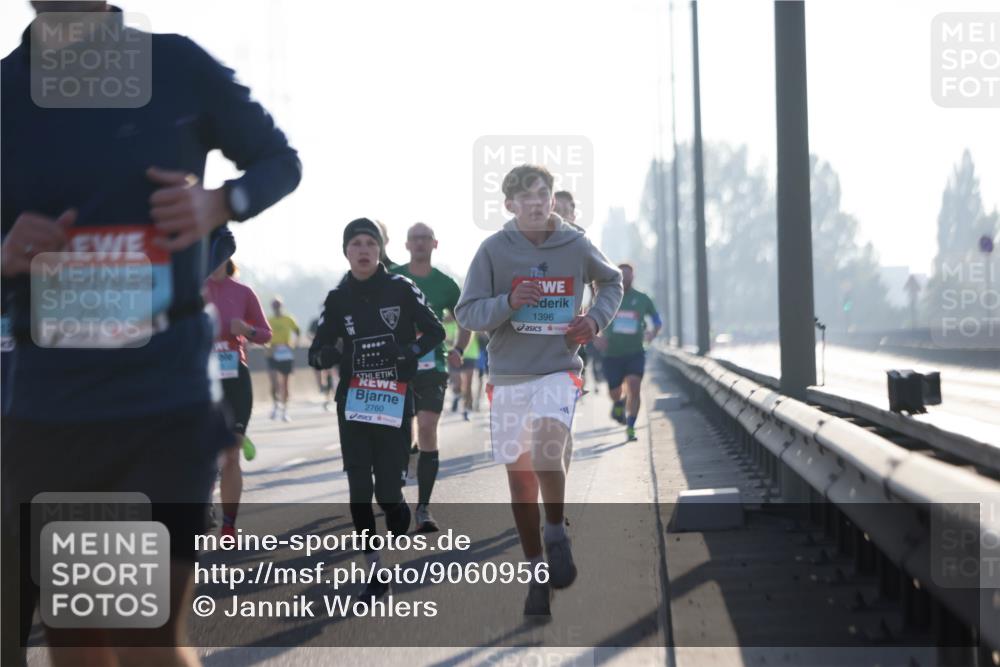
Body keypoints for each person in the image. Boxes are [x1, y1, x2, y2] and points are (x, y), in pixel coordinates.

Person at [1, 3, 301, 665]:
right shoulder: (5, 91)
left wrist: (220, 202)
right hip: (52, 405)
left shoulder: (175, 65)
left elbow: (279, 160)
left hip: (162, 398)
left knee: (145, 629)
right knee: (76, 632)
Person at [455, 165, 623, 618]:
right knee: (522, 482)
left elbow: (611, 281)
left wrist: (594, 320)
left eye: (543, 193)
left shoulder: (576, 243)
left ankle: (556, 533)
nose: (536, 202)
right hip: (509, 375)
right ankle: (535, 573)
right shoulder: (493, 250)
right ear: (509, 205)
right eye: (525, 196)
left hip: (558, 368)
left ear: (552, 198)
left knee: (549, 454)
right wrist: (509, 303)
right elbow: (468, 313)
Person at [309, 218, 445, 599]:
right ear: (346, 252)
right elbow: (315, 352)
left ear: (380, 249)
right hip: (353, 403)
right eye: (356, 244)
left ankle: (398, 505)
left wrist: (409, 353)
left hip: (393, 401)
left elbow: (434, 332)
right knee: (357, 487)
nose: (364, 249)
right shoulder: (337, 299)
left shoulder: (401, 288)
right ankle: (374, 571)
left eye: (370, 242)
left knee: (387, 491)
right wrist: (328, 354)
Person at [391, 223, 469, 533]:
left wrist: (459, 350)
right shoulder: (392, 277)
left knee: (426, 427)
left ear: (435, 244)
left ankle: (423, 507)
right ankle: (399, 482)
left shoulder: (446, 285)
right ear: (407, 244)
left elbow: (467, 321)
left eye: (426, 238)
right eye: (415, 238)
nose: (420, 243)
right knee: (400, 435)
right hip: (396, 368)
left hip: (432, 368)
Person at [204, 259, 272, 537]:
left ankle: (229, 525)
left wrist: (246, 330)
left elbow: (265, 334)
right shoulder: (191, 289)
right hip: (200, 379)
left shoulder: (243, 292)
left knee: (231, 454)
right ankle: (204, 504)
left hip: (235, 381)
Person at [596, 263, 662, 442]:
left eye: (629, 275)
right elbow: (590, 317)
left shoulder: (642, 298)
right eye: (622, 275)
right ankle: (618, 403)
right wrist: (596, 338)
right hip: (612, 353)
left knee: (634, 386)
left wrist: (653, 332)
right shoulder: (607, 297)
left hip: (635, 352)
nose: (625, 278)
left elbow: (657, 319)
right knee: (614, 391)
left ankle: (631, 427)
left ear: (634, 277)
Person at [266, 297, 300, 421]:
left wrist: (294, 344)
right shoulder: (269, 320)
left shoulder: (288, 319)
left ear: (282, 307)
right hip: (272, 353)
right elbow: (264, 334)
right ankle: (276, 405)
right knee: (274, 381)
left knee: (285, 383)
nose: (277, 309)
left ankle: (285, 410)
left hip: (285, 352)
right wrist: (268, 346)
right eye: (275, 306)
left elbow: (297, 331)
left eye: (278, 306)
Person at [309, 306, 337, 410]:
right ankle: (323, 390)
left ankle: (331, 395)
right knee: (320, 372)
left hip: (331, 351)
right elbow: (309, 334)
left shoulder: (334, 320)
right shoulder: (315, 322)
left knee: (331, 374)